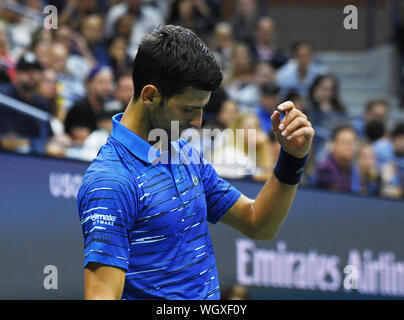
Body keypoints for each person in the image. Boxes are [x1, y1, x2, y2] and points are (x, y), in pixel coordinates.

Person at [77, 25, 314, 300]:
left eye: (202, 109)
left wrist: (292, 158)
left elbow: (258, 224)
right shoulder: (111, 181)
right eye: (189, 109)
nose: (197, 122)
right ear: (150, 96)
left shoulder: (185, 155)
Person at [315, 124, 360, 193]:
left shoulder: (352, 168)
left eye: (352, 143)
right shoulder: (325, 169)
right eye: (345, 143)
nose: (350, 147)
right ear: (333, 144)